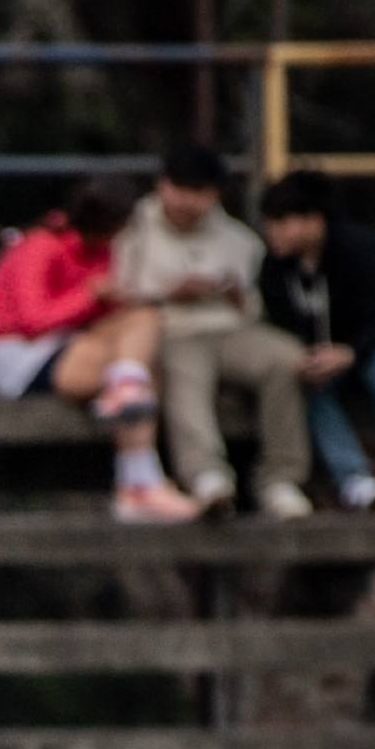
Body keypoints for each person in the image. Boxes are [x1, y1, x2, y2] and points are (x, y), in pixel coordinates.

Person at [0, 182, 200, 523]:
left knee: (144, 323)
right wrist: (90, 297)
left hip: (73, 347)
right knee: (138, 370)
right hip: (22, 357)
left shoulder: (105, 252)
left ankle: (135, 457)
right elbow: (32, 320)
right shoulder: (40, 246)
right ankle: (139, 480)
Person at [114, 144, 312, 518]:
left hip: (230, 328)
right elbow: (115, 297)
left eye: (200, 193)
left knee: (286, 359)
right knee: (184, 371)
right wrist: (169, 293)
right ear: (162, 186)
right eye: (181, 190)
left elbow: (258, 307)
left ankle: (281, 479)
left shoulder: (239, 240)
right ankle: (206, 475)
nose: (188, 202)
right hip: (171, 330)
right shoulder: (133, 231)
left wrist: (236, 297)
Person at [259, 170, 375, 511]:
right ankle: (354, 479)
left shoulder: (359, 250)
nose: (274, 234)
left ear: (314, 220)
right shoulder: (274, 268)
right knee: (299, 373)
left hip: (370, 353)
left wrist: (352, 351)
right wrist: (315, 355)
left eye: (283, 223)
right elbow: (283, 324)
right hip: (325, 364)